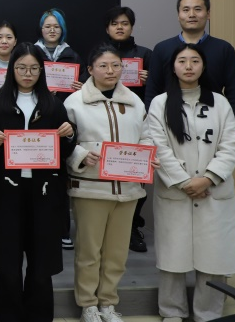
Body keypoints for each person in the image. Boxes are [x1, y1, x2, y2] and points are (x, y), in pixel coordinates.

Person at [0, 42, 75, 322]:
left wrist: (69, 134)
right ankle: (8, 315)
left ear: (41, 71)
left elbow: (65, 150)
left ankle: (39, 315)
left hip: (43, 192)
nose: (27, 73)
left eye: (34, 68)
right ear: (12, 69)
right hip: (5, 193)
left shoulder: (53, 104)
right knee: (7, 259)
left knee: (41, 260)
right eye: (21, 68)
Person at [145, 44, 235, 322]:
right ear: (173, 67)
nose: (188, 66)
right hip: (177, 190)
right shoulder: (160, 103)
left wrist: (207, 178)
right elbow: (157, 146)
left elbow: (230, 145)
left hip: (213, 190)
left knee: (214, 256)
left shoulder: (220, 103)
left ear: (204, 66)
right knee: (173, 257)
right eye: (182, 61)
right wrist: (184, 181)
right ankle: (172, 312)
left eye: (195, 61)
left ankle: (208, 314)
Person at [64, 44, 158, 322]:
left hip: (128, 189)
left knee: (117, 254)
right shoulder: (74, 102)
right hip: (90, 189)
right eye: (103, 66)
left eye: (116, 65)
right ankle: (88, 304)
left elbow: (146, 136)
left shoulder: (135, 101)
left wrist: (147, 155)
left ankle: (108, 302)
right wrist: (81, 155)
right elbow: (65, 143)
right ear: (90, 69)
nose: (110, 71)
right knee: (89, 252)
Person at [145, 0, 235, 132]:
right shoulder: (162, 49)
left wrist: (234, 128)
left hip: (213, 121)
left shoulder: (224, 49)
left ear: (208, 14)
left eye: (198, 9)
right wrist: (151, 128)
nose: (191, 14)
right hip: (171, 121)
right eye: (186, 10)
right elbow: (152, 90)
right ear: (178, 15)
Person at [104, 5, 153, 253]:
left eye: (124, 23)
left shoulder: (145, 54)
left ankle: (132, 226)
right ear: (107, 28)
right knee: (107, 176)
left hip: (136, 122)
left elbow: (159, 90)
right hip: (105, 122)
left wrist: (149, 80)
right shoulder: (99, 54)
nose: (120, 27)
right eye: (115, 23)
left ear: (132, 27)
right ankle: (107, 228)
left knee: (136, 177)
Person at [35, 8, 81, 249]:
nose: (52, 30)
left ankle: (63, 230)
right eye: (48, 26)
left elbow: (84, 85)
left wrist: (79, 86)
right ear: (41, 29)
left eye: (56, 26)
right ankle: (36, 229)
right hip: (37, 118)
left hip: (64, 118)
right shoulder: (32, 53)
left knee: (60, 177)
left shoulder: (72, 55)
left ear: (62, 29)